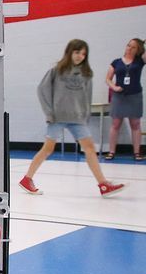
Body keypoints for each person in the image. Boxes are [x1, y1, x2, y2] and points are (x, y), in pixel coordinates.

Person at [19, 40, 124, 197]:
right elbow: (42, 90)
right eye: (77, 52)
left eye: (83, 54)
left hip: (77, 119)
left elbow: (86, 96)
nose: (80, 56)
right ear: (69, 52)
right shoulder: (56, 71)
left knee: (89, 148)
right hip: (57, 117)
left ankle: (103, 184)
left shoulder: (86, 74)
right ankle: (27, 179)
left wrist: (85, 115)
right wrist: (49, 113)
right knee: (47, 149)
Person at [104, 38, 144, 161]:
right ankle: (111, 152)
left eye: (133, 47)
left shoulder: (140, 61)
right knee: (116, 123)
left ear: (138, 50)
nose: (129, 49)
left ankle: (137, 152)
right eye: (128, 46)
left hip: (135, 95)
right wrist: (114, 87)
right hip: (119, 96)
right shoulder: (116, 62)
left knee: (135, 124)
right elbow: (108, 79)